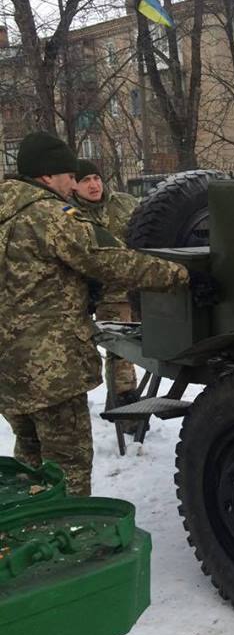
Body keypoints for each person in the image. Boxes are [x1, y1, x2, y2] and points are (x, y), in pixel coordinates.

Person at [0, 132, 190, 496]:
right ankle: (68, 537)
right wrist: (182, 275)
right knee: (67, 467)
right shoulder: (51, 216)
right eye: (70, 176)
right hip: (50, 369)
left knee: (28, 463)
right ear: (47, 176)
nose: (74, 185)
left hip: (7, 371)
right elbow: (109, 259)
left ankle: (31, 536)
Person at [71, 159, 142, 407]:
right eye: (85, 180)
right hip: (107, 294)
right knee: (120, 350)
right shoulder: (69, 213)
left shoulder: (123, 203)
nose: (93, 185)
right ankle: (125, 400)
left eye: (96, 178)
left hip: (140, 284)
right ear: (74, 185)